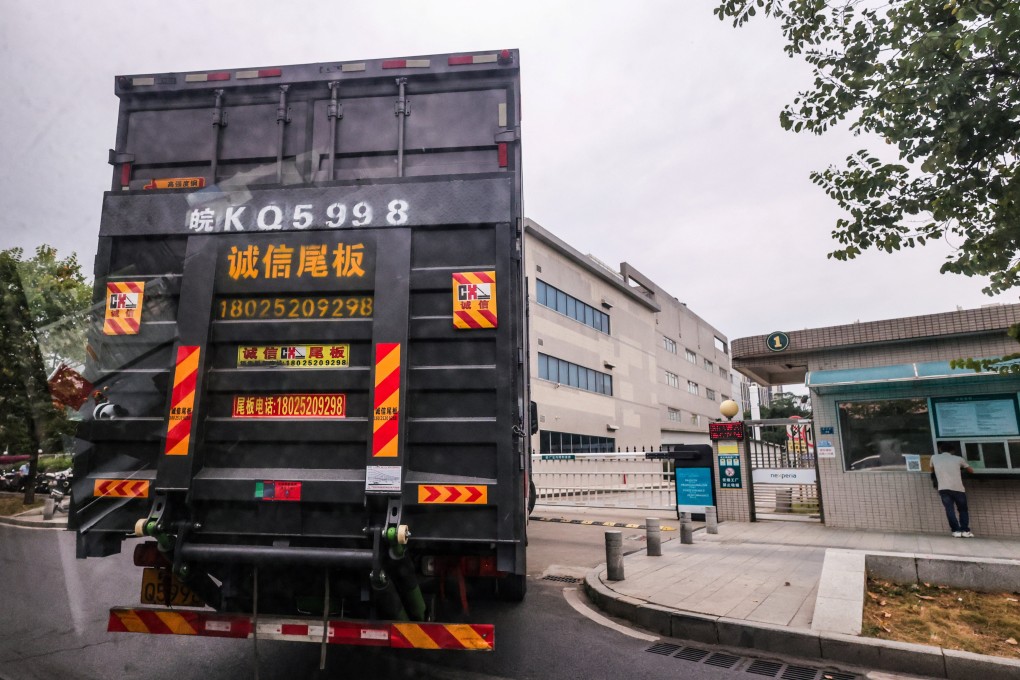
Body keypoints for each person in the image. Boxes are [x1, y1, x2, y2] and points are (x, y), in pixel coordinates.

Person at [930, 442, 974, 537]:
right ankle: (965, 531)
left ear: (940, 450)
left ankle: (956, 531)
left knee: (949, 509)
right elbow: (971, 470)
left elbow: (932, 470)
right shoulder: (958, 459)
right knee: (963, 510)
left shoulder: (934, 457)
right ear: (952, 451)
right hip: (958, 488)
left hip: (943, 488)